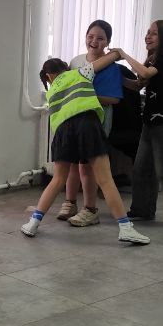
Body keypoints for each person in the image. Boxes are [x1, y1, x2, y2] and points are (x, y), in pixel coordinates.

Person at [19, 54, 149, 246]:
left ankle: (32, 224)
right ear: (66, 68)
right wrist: (118, 53)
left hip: (63, 132)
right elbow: (105, 61)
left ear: (47, 76)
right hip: (88, 125)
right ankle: (126, 228)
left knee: (58, 179)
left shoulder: (51, 91)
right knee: (105, 180)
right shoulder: (80, 72)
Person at [118, 20, 163, 230]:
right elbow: (138, 84)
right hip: (149, 124)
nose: (148, 36)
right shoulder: (152, 59)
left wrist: (123, 54)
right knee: (141, 169)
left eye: (154, 33)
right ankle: (143, 209)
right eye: (148, 32)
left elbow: (146, 74)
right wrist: (119, 77)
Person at [58, 20, 124, 227]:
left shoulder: (112, 68)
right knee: (72, 165)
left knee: (87, 167)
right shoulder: (76, 61)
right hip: (74, 121)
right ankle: (70, 203)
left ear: (108, 42)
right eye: (90, 36)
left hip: (96, 123)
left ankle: (90, 209)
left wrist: (86, 95)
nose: (94, 41)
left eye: (100, 38)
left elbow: (114, 99)